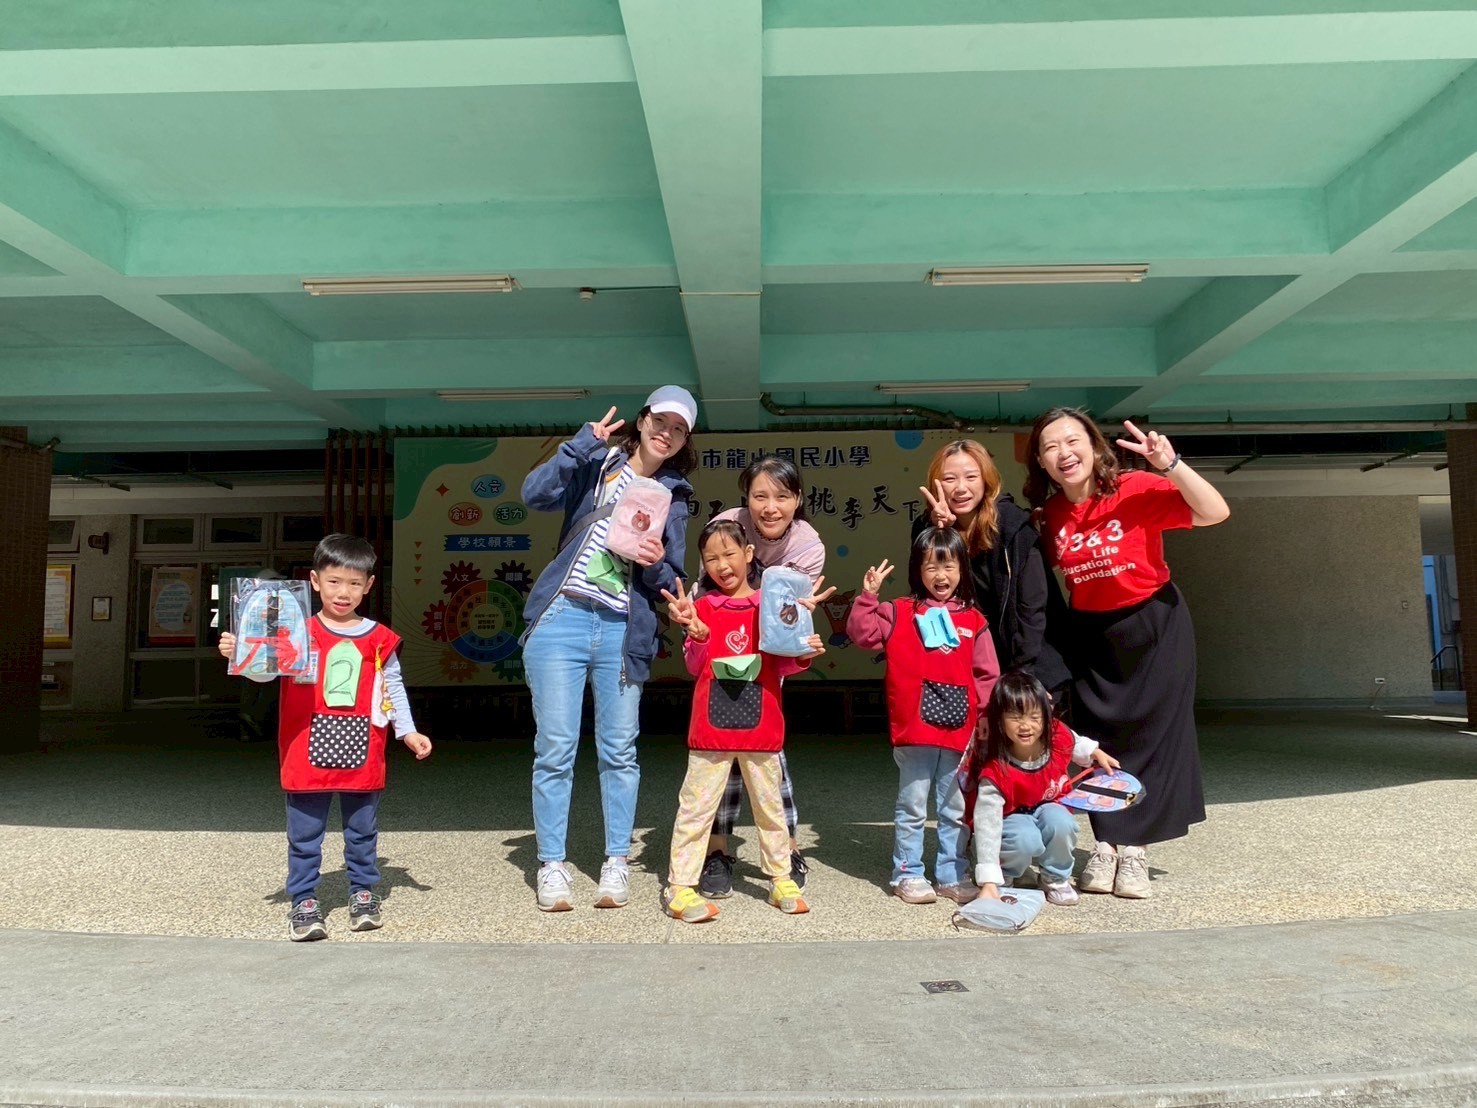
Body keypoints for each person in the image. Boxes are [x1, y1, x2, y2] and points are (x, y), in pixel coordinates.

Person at [1025, 409, 1230, 899]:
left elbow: (1214, 512)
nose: (1064, 453)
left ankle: (1134, 850)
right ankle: (1105, 844)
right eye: (1051, 447)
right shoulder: (1050, 516)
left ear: (1094, 446)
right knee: (1100, 740)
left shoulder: (1134, 488)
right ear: (1042, 462)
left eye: (1073, 441)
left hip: (1156, 624)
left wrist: (1171, 465)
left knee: (1152, 737)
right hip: (1092, 634)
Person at [519, 386, 696, 912]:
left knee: (619, 752)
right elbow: (534, 495)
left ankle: (616, 860)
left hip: (622, 629)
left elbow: (671, 581)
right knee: (555, 749)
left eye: (679, 429)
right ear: (641, 421)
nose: (666, 433)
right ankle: (552, 865)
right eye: (660, 421)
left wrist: (655, 560)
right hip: (562, 619)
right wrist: (580, 445)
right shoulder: (597, 462)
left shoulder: (674, 496)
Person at [217, 534, 432, 941]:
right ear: (315, 581)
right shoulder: (294, 630)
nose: (343, 592)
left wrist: (407, 730)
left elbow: (393, 687)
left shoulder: (380, 638)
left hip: (364, 746)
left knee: (362, 829)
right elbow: (263, 673)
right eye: (334, 581)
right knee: (304, 832)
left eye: (354, 583)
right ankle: (303, 900)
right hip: (303, 747)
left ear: (369, 585)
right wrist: (240, 653)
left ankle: (363, 893)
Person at [660, 520, 824, 922]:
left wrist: (804, 649)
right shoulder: (702, 608)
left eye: (729, 554)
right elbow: (695, 666)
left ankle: (781, 878)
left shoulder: (772, 604)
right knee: (696, 809)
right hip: (710, 732)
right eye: (711, 558)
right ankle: (679, 886)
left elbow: (785, 663)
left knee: (771, 810)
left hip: (762, 729)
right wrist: (698, 634)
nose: (722, 565)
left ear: (749, 554)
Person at [699, 455, 835, 898]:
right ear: (747, 498)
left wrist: (796, 635)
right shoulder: (726, 526)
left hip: (770, 655)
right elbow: (708, 592)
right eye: (760, 496)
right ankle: (716, 851)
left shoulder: (808, 546)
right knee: (720, 752)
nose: (770, 507)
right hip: (723, 650)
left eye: (782, 496)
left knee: (767, 751)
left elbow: (786, 619)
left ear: (798, 499)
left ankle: (786, 848)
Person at [846, 528, 1000, 905]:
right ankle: (908, 872)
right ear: (917, 570)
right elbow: (862, 635)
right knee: (912, 805)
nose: (940, 575)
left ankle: (951, 873)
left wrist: (985, 718)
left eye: (949, 566)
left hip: (960, 731)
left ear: (963, 569)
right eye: (931, 566)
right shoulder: (899, 611)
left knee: (954, 807)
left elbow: (988, 676)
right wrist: (868, 596)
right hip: (915, 730)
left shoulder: (974, 620)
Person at [916, 439, 1072, 707]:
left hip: (1029, 663)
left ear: (986, 480)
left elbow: (1033, 609)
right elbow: (928, 594)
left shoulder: (1014, 526)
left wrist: (1023, 675)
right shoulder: (928, 530)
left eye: (971, 477)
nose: (961, 488)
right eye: (950, 479)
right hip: (968, 664)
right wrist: (943, 535)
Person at [966, 671, 1118, 906]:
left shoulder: (1057, 735)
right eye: (1015, 717)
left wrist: (1095, 752)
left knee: (1062, 823)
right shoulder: (995, 770)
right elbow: (987, 823)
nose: (1025, 725)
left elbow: (1076, 743)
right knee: (1026, 838)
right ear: (998, 719)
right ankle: (1005, 874)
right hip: (1011, 817)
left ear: (1047, 717)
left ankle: (1054, 878)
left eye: (1034, 716)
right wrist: (988, 880)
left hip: (1048, 805)